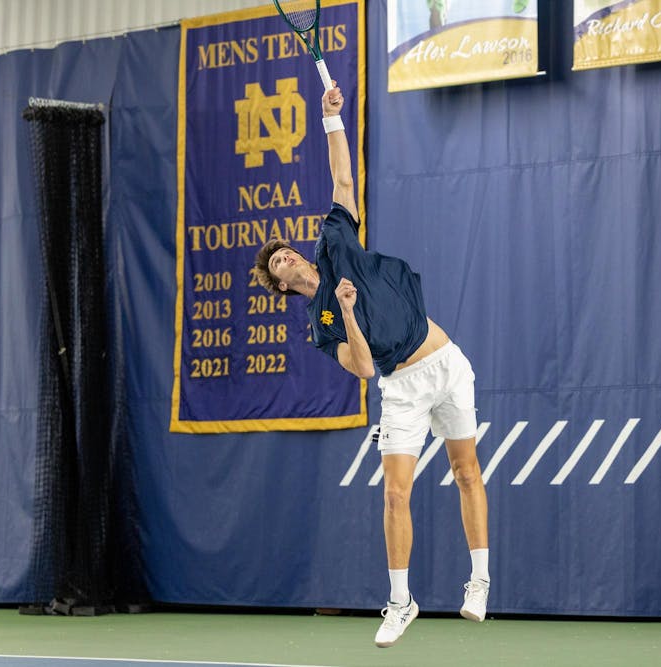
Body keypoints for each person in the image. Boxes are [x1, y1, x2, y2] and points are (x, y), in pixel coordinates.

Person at [252, 84, 490, 648]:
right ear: (281, 285)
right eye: (276, 263)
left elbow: (342, 179)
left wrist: (331, 119)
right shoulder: (320, 324)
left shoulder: (335, 240)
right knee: (395, 494)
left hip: (446, 363)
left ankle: (479, 580)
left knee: (466, 473)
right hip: (400, 386)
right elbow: (362, 369)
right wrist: (348, 313)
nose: (284, 257)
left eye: (284, 251)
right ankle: (401, 602)